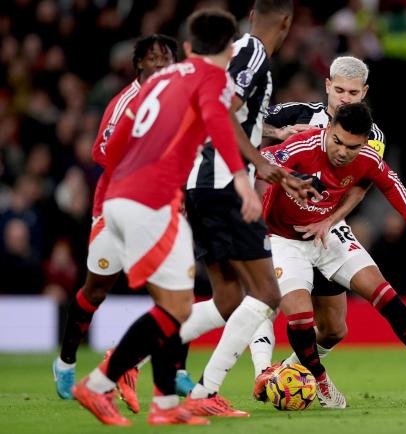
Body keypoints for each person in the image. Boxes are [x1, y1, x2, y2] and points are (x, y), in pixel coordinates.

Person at [71, 9, 262, 426]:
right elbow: (219, 123)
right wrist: (243, 183)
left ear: (189, 48)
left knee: (172, 305)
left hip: (119, 198)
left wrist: (118, 186)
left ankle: (164, 407)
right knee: (176, 306)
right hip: (152, 202)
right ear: (230, 50)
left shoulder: (156, 82)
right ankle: (101, 381)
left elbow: (118, 140)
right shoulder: (213, 79)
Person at [255, 102, 406, 408]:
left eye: (352, 147)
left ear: (365, 142)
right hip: (284, 237)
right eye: (338, 141)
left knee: (385, 297)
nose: (342, 152)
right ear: (329, 129)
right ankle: (319, 380)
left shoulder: (368, 156)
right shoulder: (302, 145)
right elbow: (261, 158)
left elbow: (391, 183)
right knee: (301, 316)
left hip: (328, 232)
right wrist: (292, 177)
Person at [175, 0, 303, 418]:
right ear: (286, 22)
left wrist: (272, 133)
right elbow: (222, 108)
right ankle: (204, 393)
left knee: (229, 299)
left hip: (204, 181)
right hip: (223, 182)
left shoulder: (241, 51)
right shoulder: (253, 52)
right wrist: (258, 162)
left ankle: (126, 359)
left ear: (251, 14)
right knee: (266, 293)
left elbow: (234, 112)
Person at [52, 34, 178, 411]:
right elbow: (101, 153)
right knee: (96, 290)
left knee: (172, 297)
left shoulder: (175, 98)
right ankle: (66, 359)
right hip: (115, 207)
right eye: (153, 58)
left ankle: (139, 369)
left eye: (166, 57)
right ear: (138, 64)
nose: (160, 63)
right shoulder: (125, 102)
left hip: (156, 209)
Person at [250, 55, 386, 381]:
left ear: (363, 93)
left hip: (324, 232)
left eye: (353, 93)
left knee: (334, 329)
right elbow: (244, 124)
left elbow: (361, 186)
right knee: (266, 301)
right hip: (279, 229)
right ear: (327, 86)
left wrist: (332, 219)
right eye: (339, 90)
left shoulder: (373, 136)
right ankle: (263, 372)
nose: (345, 99)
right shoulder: (298, 113)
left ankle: (290, 371)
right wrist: (280, 133)